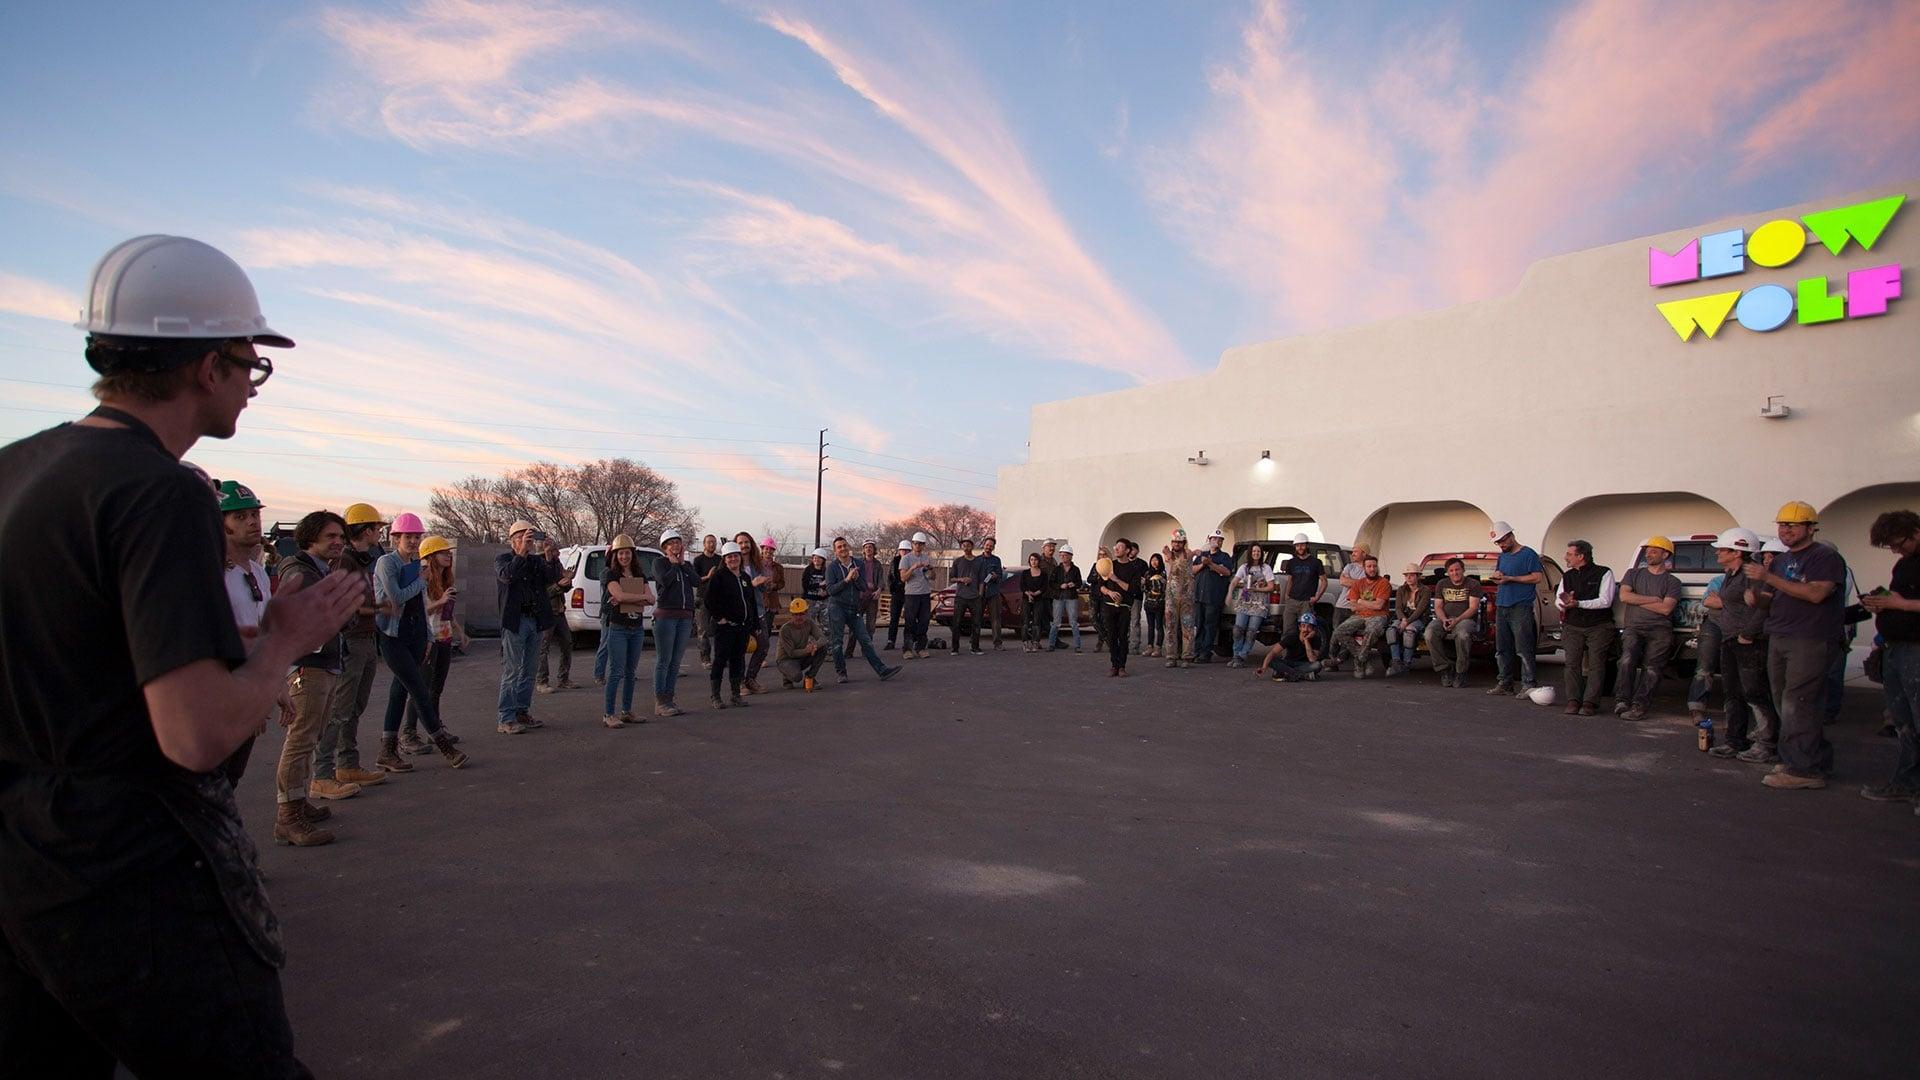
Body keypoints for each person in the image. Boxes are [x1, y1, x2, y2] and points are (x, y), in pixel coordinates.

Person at [0, 234, 362, 1074]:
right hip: (127, 863)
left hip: (21, 854)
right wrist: (280, 644)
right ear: (208, 366)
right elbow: (194, 735)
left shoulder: (20, 469)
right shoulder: (158, 489)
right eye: (250, 365)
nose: (250, 386)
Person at [1750, 501, 1850, 790]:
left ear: (1810, 527)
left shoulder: (1824, 557)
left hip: (1811, 638)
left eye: (1792, 525)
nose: (1785, 530)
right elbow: (1768, 598)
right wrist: (1756, 594)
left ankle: (1804, 770)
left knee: (1800, 701)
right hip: (1780, 635)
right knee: (1784, 700)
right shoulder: (1780, 561)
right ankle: (1803, 758)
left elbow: (1817, 594)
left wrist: (1768, 577)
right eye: (1782, 525)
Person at [280, 511, 370, 808]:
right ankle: (290, 813)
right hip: (309, 664)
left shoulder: (321, 571)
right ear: (310, 537)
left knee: (311, 735)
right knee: (301, 738)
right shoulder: (299, 572)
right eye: (330, 536)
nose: (337, 542)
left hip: (327, 661)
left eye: (341, 537)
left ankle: (301, 800)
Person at [372, 514, 470, 771]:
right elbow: (397, 597)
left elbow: (419, 605)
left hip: (416, 636)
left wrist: (428, 637)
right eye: (409, 537)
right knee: (419, 689)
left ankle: (387, 750)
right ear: (395, 538)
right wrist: (421, 580)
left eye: (417, 537)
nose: (414, 541)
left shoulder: (416, 564)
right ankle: (445, 748)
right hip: (393, 636)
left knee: (399, 691)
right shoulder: (387, 563)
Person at [315, 501, 387, 789]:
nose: (379, 534)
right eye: (377, 529)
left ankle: (348, 764)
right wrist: (378, 609)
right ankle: (322, 773)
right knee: (340, 708)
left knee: (355, 705)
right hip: (352, 641)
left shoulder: (362, 560)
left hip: (367, 639)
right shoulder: (345, 561)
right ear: (366, 530)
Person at [215, 480, 276, 799]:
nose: (252, 521)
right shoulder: (212, 573)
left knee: (230, 780)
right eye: (240, 516)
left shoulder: (257, 571)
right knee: (211, 783)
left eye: (254, 514)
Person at [1859, 510, 1920, 806]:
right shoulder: (1904, 564)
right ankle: (1906, 782)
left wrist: (1902, 604)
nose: (1895, 550)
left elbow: (1905, 601)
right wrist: (1881, 602)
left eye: (1898, 543)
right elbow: (1896, 597)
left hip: (1916, 648)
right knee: (1903, 720)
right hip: (1895, 648)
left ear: (1916, 532)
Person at [1703, 529, 1778, 762]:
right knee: (1732, 692)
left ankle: (1767, 744)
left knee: (1755, 692)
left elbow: (1764, 607)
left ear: (1737, 552)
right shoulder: (1731, 574)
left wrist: (1748, 633)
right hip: (1729, 639)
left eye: (1722, 550)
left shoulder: (1752, 573)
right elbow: (1722, 601)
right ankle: (1735, 740)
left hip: (1749, 641)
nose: (1717, 553)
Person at [406, 535, 469, 746]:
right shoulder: (422, 579)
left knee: (436, 688)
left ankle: (435, 729)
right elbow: (419, 610)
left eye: (449, 552)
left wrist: (459, 632)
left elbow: (447, 612)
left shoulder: (445, 580)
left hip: (444, 638)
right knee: (420, 688)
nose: (448, 555)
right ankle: (409, 733)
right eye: (443, 553)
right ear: (431, 556)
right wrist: (440, 601)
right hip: (428, 639)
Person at [1613, 535, 1683, 721]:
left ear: (1665, 554)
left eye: (1653, 551)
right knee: (1627, 660)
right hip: (1633, 627)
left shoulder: (1673, 582)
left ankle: (1639, 705)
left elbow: (1666, 608)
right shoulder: (1633, 574)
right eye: (1647, 550)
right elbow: (1625, 597)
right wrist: (1653, 599)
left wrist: (1638, 600)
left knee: (1652, 668)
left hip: (1660, 630)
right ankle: (1622, 700)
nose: (1648, 554)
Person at [495, 520, 553, 734]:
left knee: (529, 671)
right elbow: (508, 576)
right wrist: (521, 553)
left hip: (535, 620)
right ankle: (506, 717)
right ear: (512, 541)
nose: (526, 541)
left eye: (529, 537)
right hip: (515, 621)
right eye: (521, 537)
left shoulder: (535, 562)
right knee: (511, 670)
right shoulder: (503, 559)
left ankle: (522, 711)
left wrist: (548, 555)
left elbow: (550, 578)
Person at [826, 537, 902, 683]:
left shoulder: (858, 564)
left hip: (854, 607)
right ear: (835, 551)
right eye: (839, 547)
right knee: (837, 642)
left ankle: (882, 670)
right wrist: (847, 579)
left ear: (848, 547)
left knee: (866, 640)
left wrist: (856, 579)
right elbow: (830, 590)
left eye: (844, 546)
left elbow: (863, 587)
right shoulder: (832, 567)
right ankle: (841, 673)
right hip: (837, 607)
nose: (843, 549)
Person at [1556, 540, 1617, 717]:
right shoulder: (1567, 576)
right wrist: (1565, 604)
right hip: (1573, 625)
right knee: (1571, 663)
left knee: (1596, 664)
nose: (1565, 557)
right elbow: (1558, 601)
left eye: (1569, 554)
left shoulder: (1604, 573)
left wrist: (1578, 603)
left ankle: (1590, 702)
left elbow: (1605, 601)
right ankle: (1573, 700)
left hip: (1599, 625)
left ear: (1581, 556)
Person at [596, 534, 652, 727]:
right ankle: (608, 714)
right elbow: (617, 595)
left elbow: (651, 599)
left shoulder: (639, 575)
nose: (624, 557)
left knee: (630, 672)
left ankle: (627, 711)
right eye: (620, 553)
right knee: (616, 672)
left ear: (632, 554)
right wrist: (639, 597)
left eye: (627, 552)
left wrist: (628, 598)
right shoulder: (611, 574)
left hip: (636, 629)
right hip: (618, 628)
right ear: (614, 555)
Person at [1486, 521, 1544, 696]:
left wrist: (1511, 578)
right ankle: (1505, 681)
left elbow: (1536, 577)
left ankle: (1529, 683)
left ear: (1511, 536)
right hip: (1502, 604)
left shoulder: (1528, 554)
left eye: (1503, 541)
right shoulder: (1502, 557)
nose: (1501, 545)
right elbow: (1500, 575)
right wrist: (1497, 577)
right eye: (1498, 543)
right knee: (1502, 647)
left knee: (1523, 647)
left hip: (1520, 605)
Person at [650, 530, 699, 717]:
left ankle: (670, 698)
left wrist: (682, 565)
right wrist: (672, 565)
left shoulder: (685, 565)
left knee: (676, 661)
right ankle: (660, 700)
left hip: (684, 617)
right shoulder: (659, 563)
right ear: (664, 547)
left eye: (678, 542)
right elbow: (664, 581)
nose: (675, 546)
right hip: (666, 616)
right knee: (664, 660)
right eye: (671, 543)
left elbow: (696, 581)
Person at [704, 541, 756, 708]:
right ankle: (715, 696)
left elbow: (751, 602)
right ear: (725, 559)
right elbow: (709, 600)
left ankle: (735, 695)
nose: (733, 559)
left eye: (735, 556)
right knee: (720, 660)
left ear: (740, 557)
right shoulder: (719, 576)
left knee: (738, 660)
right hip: (725, 628)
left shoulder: (745, 578)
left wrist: (753, 625)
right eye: (729, 557)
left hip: (742, 627)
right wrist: (720, 618)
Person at [1330, 555, 1392, 678]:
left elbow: (1379, 606)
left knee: (1372, 631)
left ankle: (1359, 662)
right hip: (1359, 616)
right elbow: (1352, 606)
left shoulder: (1384, 583)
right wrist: (1368, 604)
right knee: (1339, 631)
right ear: (1364, 568)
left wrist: (1360, 601)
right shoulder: (1358, 584)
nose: (1372, 569)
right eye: (1369, 566)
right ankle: (1364, 660)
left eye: (1374, 566)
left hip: (1378, 616)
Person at [1426, 557, 1482, 687]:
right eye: (1451, 570)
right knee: (1429, 634)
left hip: (1465, 620)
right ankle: (1444, 669)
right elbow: (1438, 606)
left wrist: (1456, 620)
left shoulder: (1473, 584)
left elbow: (1473, 608)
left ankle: (1461, 672)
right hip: (1445, 618)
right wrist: (1444, 619)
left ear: (1463, 570)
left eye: (1457, 569)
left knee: (1462, 635)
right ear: (1447, 572)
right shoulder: (1442, 584)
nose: (1455, 573)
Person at [1100, 539, 1151, 676]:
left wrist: (1116, 579)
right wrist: (1110, 592)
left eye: (1120, 547)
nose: (1116, 549)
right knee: (1111, 636)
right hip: (1109, 606)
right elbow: (1101, 586)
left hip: (1124, 607)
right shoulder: (1110, 565)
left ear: (1127, 550)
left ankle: (1122, 666)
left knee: (1122, 636)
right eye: (1116, 546)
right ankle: (1114, 665)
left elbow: (1132, 589)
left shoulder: (1133, 569)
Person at [743, 536, 784, 695]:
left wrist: (771, 585)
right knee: (740, 647)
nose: (768, 551)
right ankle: (740, 683)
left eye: (770, 549)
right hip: (744, 609)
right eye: (766, 548)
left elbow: (781, 583)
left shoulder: (771, 566)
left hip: (763, 605)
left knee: (764, 643)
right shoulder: (745, 564)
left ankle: (750, 678)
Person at [535, 535, 575, 694]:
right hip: (546, 612)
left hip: (559, 610)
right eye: (551, 550)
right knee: (543, 648)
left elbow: (562, 584)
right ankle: (541, 680)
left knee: (567, 643)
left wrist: (567, 583)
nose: (555, 553)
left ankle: (563, 679)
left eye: (554, 549)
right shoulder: (538, 566)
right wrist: (559, 586)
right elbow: (542, 592)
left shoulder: (557, 565)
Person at [1228, 543, 1274, 669]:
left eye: (1258, 551)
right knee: (1238, 629)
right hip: (1245, 601)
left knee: (1251, 632)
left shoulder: (1266, 568)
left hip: (1259, 604)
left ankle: (1242, 655)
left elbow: (1271, 586)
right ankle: (1236, 654)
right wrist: (1229, 594)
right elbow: (1234, 581)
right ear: (1250, 553)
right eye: (1254, 551)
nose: (1256, 553)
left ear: (1261, 553)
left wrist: (1257, 588)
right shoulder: (1244, 567)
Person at [1192, 530, 1234, 663]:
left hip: (1213, 597)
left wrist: (1211, 564)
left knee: (1210, 626)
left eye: (1219, 539)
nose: (1216, 541)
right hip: (1199, 596)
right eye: (1214, 538)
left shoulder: (1224, 557)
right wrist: (1202, 564)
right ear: (1209, 540)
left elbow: (1227, 571)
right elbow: (1192, 570)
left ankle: (1206, 652)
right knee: (1199, 624)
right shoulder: (1201, 556)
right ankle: (1196, 651)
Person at [1276, 532, 1324, 642]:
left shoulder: (1316, 562)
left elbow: (1324, 581)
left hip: (1307, 602)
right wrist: (1287, 595)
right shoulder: (1292, 562)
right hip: (1292, 601)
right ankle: (1287, 656)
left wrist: (1317, 597)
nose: (1300, 548)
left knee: (1306, 630)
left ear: (1307, 545)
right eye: (1297, 545)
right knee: (1287, 630)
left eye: (1302, 545)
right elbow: (1290, 580)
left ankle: (1305, 656)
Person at [1162, 529, 1196, 667]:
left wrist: (1171, 555)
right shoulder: (1168, 555)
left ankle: (1187, 656)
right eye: (1174, 541)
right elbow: (1170, 562)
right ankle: (1171, 655)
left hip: (1186, 596)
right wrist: (1168, 555)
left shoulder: (1187, 554)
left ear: (1183, 543)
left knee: (1187, 626)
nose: (1176, 544)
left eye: (1179, 542)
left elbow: (1185, 559)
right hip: (1171, 596)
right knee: (1170, 626)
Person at [778, 599, 831, 689]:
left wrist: (815, 646)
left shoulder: (809, 623)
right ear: (792, 615)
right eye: (796, 614)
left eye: (801, 614)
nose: (799, 617)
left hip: (801, 656)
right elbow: (791, 653)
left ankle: (810, 677)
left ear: (806, 613)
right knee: (797, 677)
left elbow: (823, 638)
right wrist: (808, 650)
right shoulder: (785, 629)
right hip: (786, 659)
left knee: (823, 648)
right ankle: (787, 676)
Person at [1388, 563, 1430, 677]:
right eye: (1406, 575)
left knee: (1409, 631)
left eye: (1412, 575)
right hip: (1403, 617)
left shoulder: (1425, 590)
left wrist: (1407, 621)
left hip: (1418, 618)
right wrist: (1402, 619)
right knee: (1391, 630)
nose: (1409, 578)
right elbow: (1398, 608)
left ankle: (1407, 662)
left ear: (1418, 576)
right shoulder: (1402, 589)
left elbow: (1420, 610)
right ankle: (1396, 661)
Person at [1257, 612, 1325, 682]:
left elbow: (1312, 659)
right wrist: (1264, 667)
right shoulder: (1292, 637)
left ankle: (1288, 674)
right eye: (1303, 626)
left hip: (1304, 665)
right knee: (1272, 661)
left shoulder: (1316, 639)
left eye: (1309, 627)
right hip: (1289, 663)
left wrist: (1306, 640)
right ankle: (1300, 675)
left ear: (1313, 629)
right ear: (1299, 627)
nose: (1305, 629)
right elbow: (1273, 652)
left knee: (1317, 665)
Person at [899, 532, 935, 658]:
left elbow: (932, 577)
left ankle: (921, 648)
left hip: (925, 594)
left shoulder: (927, 558)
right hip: (911, 594)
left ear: (924, 545)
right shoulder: (906, 559)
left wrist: (930, 570)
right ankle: (907, 649)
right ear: (912, 544)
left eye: (920, 544)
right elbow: (903, 578)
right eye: (915, 543)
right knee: (910, 622)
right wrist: (913, 568)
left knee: (924, 622)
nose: (918, 546)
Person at [951, 537, 987, 656]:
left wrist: (980, 594)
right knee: (956, 623)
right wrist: (961, 579)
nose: (966, 548)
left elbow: (982, 580)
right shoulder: (957, 561)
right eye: (964, 546)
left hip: (974, 597)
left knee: (976, 623)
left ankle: (975, 647)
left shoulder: (979, 561)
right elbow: (952, 578)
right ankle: (955, 648)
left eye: (968, 545)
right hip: (960, 596)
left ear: (972, 547)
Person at [1047, 544, 1085, 652]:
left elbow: (1079, 583)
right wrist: (1060, 586)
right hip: (1058, 597)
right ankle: (1051, 644)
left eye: (1065, 555)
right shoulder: (1057, 569)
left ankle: (1077, 646)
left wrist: (1074, 584)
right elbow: (1051, 583)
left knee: (1073, 622)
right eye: (1061, 555)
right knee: (1056, 622)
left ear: (1070, 556)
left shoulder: (1076, 569)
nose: (1063, 557)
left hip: (1071, 597)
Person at [693, 534, 722, 666]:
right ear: (704, 544)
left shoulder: (720, 560)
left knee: (721, 629)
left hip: (717, 599)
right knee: (703, 630)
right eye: (709, 542)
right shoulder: (698, 560)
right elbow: (695, 580)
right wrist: (708, 576)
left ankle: (721, 658)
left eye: (714, 542)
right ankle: (705, 658)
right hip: (703, 598)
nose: (712, 544)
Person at [978, 537, 1006, 649]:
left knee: (996, 619)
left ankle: (997, 643)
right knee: (977, 618)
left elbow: (1000, 575)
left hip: (993, 592)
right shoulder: (977, 560)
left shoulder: (996, 560)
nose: (988, 547)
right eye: (987, 544)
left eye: (991, 546)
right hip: (980, 593)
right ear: (983, 545)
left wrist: (996, 576)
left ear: (993, 547)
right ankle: (974, 643)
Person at [1021, 553, 1049, 652]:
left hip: (1039, 599)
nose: (1033, 562)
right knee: (1025, 621)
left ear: (1039, 561)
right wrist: (1028, 594)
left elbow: (1044, 587)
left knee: (1037, 621)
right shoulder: (1025, 573)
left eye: (1035, 560)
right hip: (1026, 598)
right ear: (1029, 561)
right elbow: (1022, 586)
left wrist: (1036, 593)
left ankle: (1035, 642)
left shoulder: (1043, 573)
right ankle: (1025, 643)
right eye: (1031, 559)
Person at [886, 539, 910, 649]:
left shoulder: (912, 561)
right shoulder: (895, 561)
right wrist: (894, 589)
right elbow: (891, 577)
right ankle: (891, 641)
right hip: (897, 593)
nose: (904, 552)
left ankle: (909, 640)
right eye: (902, 550)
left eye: (906, 550)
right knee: (894, 617)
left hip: (910, 593)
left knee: (910, 618)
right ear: (899, 551)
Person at [1088, 545, 1113, 653]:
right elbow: (1089, 579)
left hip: (1105, 596)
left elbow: (1111, 581)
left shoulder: (1111, 566)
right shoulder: (1095, 565)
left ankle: (1100, 641)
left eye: (1104, 554)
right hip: (1094, 595)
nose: (1102, 556)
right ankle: (1106, 638)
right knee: (1093, 618)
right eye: (1100, 554)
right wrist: (1098, 576)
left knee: (1104, 620)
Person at [1142, 553, 1168, 658]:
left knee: (1159, 626)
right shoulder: (1147, 573)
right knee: (1150, 626)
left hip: (1160, 603)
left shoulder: (1163, 573)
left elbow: (1164, 588)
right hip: (1149, 603)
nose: (1154, 562)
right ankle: (1149, 646)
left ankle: (1158, 648)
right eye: (1152, 560)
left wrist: (1160, 581)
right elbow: (1144, 588)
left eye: (1156, 560)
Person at [800, 546, 830, 626]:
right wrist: (819, 584)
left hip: (823, 602)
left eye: (819, 558)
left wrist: (826, 592)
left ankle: (824, 639)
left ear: (823, 560)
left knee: (826, 625)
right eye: (815, 557)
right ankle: (809, 639)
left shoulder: (827, 571)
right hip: (810, 600)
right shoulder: (808, 570)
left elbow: (831, 585)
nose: (816, 560)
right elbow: (805, 585)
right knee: (809, 624)